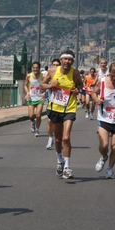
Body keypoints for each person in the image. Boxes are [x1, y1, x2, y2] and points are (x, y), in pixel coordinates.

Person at [41, 49, 84, 179]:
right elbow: (42, 85)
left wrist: (78, 90)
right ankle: (60, 161)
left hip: (69, 108)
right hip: (55, 108)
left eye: (69, 59)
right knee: (58, 139)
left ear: (73, 61)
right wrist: (50, 86)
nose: (67, 61)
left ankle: (67, 167)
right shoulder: (53, 71)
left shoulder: (75, 73)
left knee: (66, 137)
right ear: (61, 60)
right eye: (65, 59)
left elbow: (81, 85)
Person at [24, 61, 45, 137]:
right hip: (31, 98)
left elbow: (46, 86)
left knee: (38, 115)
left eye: (37, 68)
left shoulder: (42, 76)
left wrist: (44, 93)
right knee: (31, 115)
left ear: (39, 68)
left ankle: (37, 129)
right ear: (32, 68)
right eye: (34, 68)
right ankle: (32, 122)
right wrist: (27, 93)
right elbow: (25, 85)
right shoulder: (29, 76)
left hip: (39, 98)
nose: (35, 69)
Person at [45, 58, 60, 149]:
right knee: (49, 120)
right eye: (54, 65)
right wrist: (49, 86)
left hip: (62, 103)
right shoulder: (49, 74)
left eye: (57, 65)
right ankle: (50, 139)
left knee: (59, 124)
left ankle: (58, 139)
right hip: (51, 100)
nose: (55, 67)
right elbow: (43, 85)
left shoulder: (64, 75)